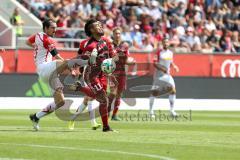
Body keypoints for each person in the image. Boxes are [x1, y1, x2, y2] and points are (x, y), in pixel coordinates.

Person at [27, 19, 96, 131]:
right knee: (67, 61)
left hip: (49, 74)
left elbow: (27, 42)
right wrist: (72, 71)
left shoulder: (36, 36)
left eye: (56, 27)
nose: (55, 30)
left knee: (60, 102)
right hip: (45, 68)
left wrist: (37, 48)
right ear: (45, 28)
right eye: (52, 28)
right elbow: (57, 56)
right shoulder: (47, 39)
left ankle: (36, 117)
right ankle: (84, 65)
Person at [68, 19, 118, 132]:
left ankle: (105, 126)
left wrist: (109, 63)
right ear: (91, 30)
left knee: (102, 100)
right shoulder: (90, 46)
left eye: (101, 25)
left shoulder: (106, 41)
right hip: (92, 75)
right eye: (97, 26)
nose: (101, 26)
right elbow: (81, 60)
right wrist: (86, 62)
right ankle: (106, 127)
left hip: (103, 74)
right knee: (103, 99)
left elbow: (115, 57)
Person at [109, 27, 135, 121]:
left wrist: (131, 62)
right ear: (113, 34)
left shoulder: (125, 45)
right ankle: (107, 111)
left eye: (119, 33)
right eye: (116, 33)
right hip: (112, 71)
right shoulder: (109, 45)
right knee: (112, 93)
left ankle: (114, 115)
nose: (118, 35)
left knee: (119, 94)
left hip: (122, 72)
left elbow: (127, 60)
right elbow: (110, 58)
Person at [149, 38, 179, 118]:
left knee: (173, 90)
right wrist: (162, 69)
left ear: (168, 43)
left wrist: (174, 66)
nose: (166, 43)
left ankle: (172, 111)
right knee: (154, 92)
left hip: (167, 75)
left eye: (167, 42)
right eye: (164, 42)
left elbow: (170, 62)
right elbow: (154, 63)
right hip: (159, 75)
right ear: (162, 43)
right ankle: (151, 111)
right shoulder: (159, 52)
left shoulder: (170, 53)